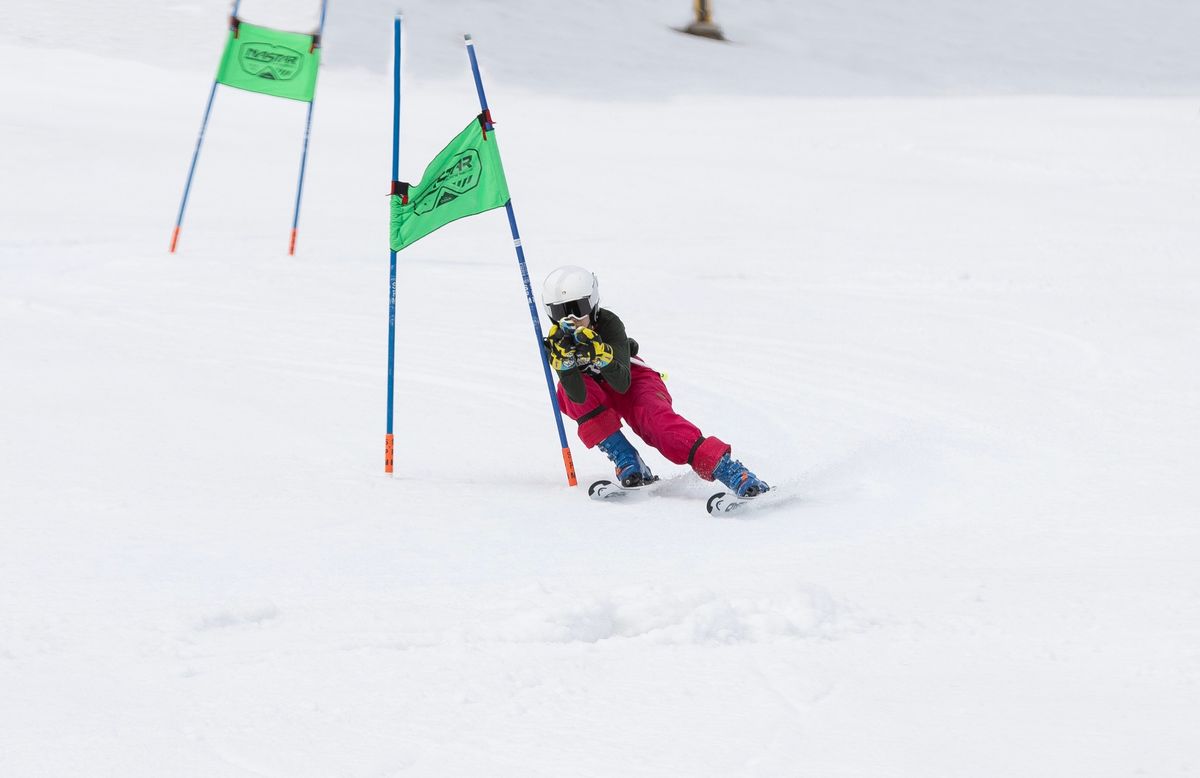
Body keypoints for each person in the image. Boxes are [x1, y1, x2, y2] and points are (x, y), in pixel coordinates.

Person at [540, 265, 769, 497]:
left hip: (633, 380)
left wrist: (601, 354)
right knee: (564, 393)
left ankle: (730, 471)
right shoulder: (557, 343)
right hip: (599, 391)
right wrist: (565, 366)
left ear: (593, 303)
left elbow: (622, 383)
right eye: (560, 312)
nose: (571, 320)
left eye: (578, 309)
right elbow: (578, 397)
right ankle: (628, 460)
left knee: (658, 426)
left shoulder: (609, 323)